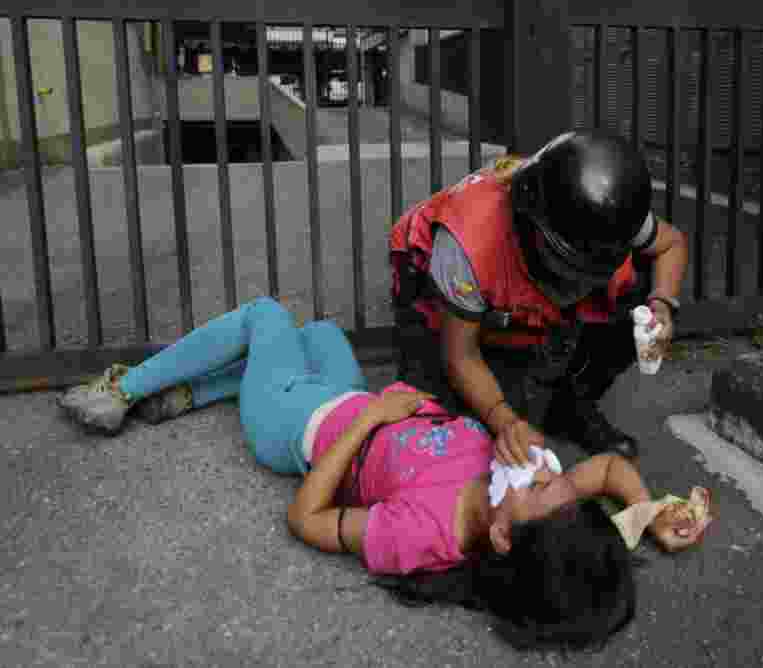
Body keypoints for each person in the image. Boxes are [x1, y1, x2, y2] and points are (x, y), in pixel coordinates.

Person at [56, 296, 710, 650]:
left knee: (265, 315)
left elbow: (305, 518)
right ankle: (202, 390)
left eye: (543, 484)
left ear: (505, 538)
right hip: (352, 398)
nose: (547, 465)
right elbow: (610, 471)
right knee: (320, 329)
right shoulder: (531, 501)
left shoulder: (419, 535)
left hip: (299, 426)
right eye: (561, 477)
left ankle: (125, 389)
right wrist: (653, 514)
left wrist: (370, 423)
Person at [390, 129, 689, 465]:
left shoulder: (612, 211)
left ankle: (573, 406)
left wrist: (661, 304)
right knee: (440, 435)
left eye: (587, 272)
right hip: (432, 290)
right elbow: (460, 356)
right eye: (568, 267)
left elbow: (671, 244)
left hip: (513, 299)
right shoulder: (467, 243)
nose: (577, 286)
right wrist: (504, 419)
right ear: (533, 226)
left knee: (640, 290)